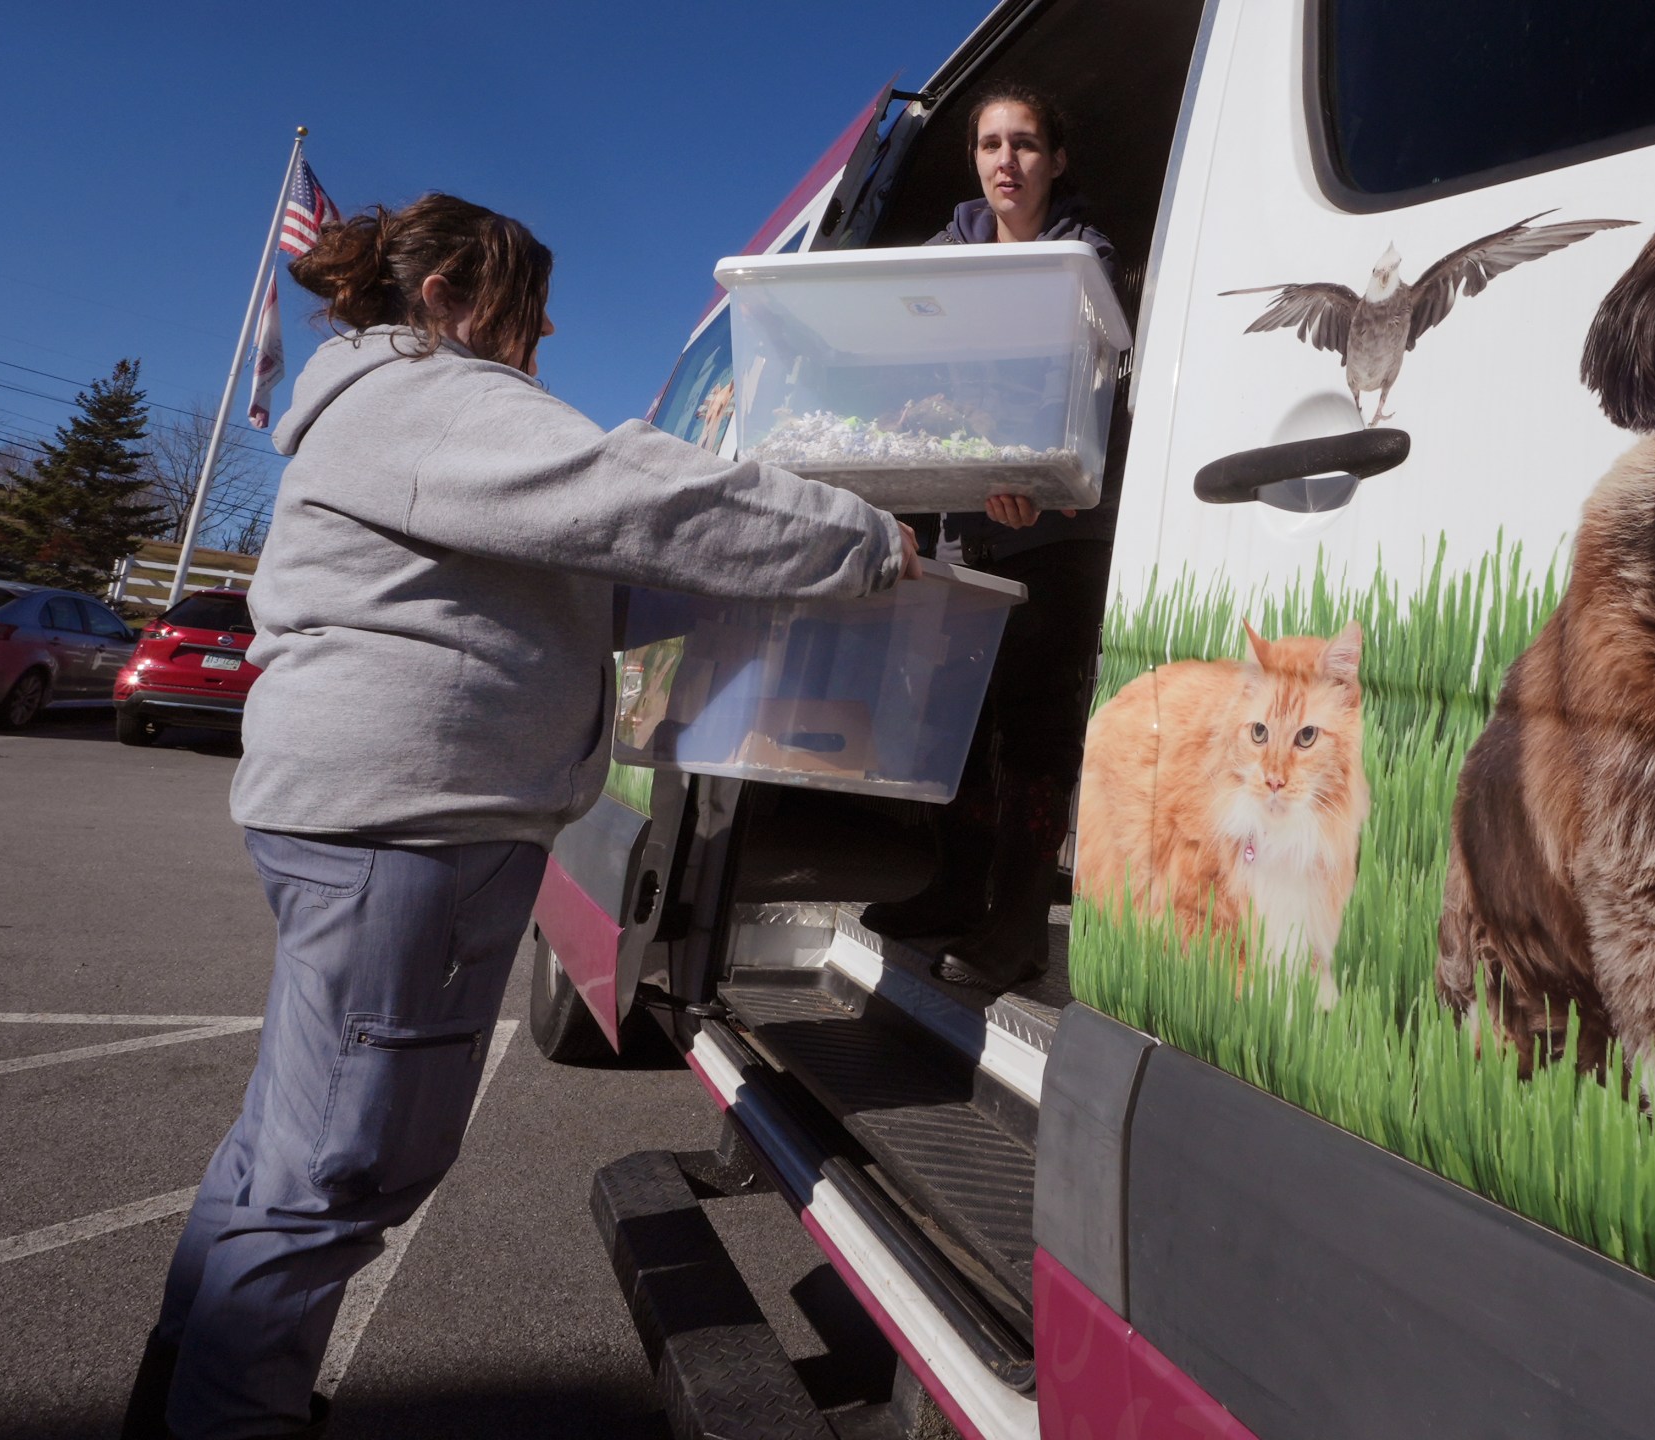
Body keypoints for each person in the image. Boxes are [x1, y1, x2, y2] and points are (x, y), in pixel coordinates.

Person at [122, 194, 918, 1440]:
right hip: (411, 829)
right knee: (340, 1170)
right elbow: (631, 495)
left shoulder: (384, 412)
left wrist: (762, 581)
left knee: (285, 1152)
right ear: (446, 295)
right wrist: (863, 542)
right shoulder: (427, 391)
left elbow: (590, 584)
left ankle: (196, 1395)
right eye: (525, 303)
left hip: (363, 819)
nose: (541, 330)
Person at [858, 84, 1120, 991]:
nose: (1006, 162)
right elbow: (921, 382)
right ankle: (954, 889)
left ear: (1056, 160)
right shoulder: (944, 259)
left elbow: (1078, 395)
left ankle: (1017, 924)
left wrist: (1040, 483)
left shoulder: (1084, 260)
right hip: (972, 521)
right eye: (990, 144)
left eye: (1026, 145)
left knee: (1036, 727)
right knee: (959, 719)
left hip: (1057, 527)